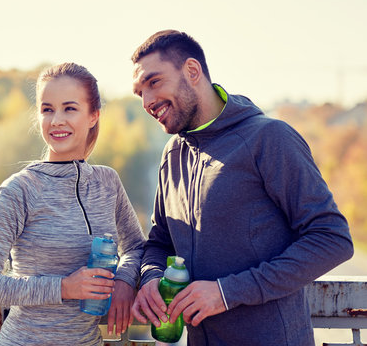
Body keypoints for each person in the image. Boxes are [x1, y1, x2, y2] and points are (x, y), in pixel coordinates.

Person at [130, 30, 354, 346]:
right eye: (140, 92)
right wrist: (151, 277)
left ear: (192, 71)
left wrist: (226, 293)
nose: (148, 101)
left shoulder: (270, 138)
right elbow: (160, 242)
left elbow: (332, 239)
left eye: (154, 83)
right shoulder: (173, 155)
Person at [0, 62, 146, 346]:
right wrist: (63, 287)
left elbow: (136, 247)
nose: (56, 120)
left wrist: (124, 280)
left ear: (93, 116)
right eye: (47, 109)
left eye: (70, 108)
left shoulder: (107, 182)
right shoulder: (19, 190)